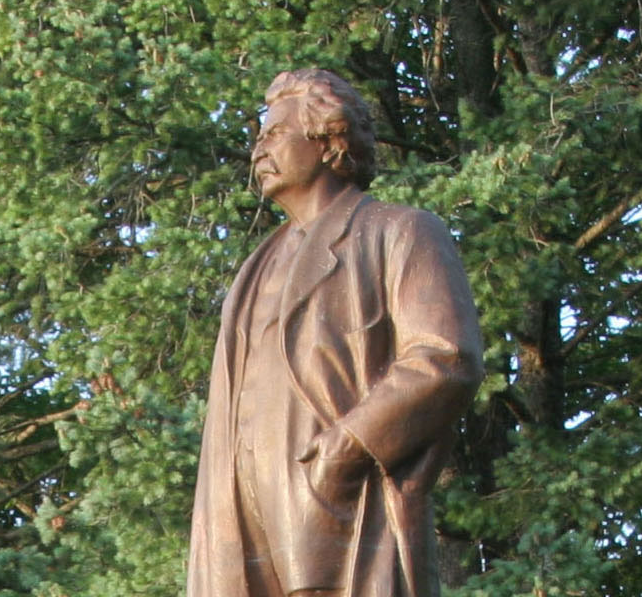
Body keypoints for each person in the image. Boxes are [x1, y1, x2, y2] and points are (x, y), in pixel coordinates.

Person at [187, 69, 483, 597]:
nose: (258, 149)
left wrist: (348, 448)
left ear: (328, 141)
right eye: (259, 137)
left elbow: (446, 358)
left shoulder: (399, 231)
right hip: (240, 526)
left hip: (341, 508)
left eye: (275, 134)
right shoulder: (255, 268)